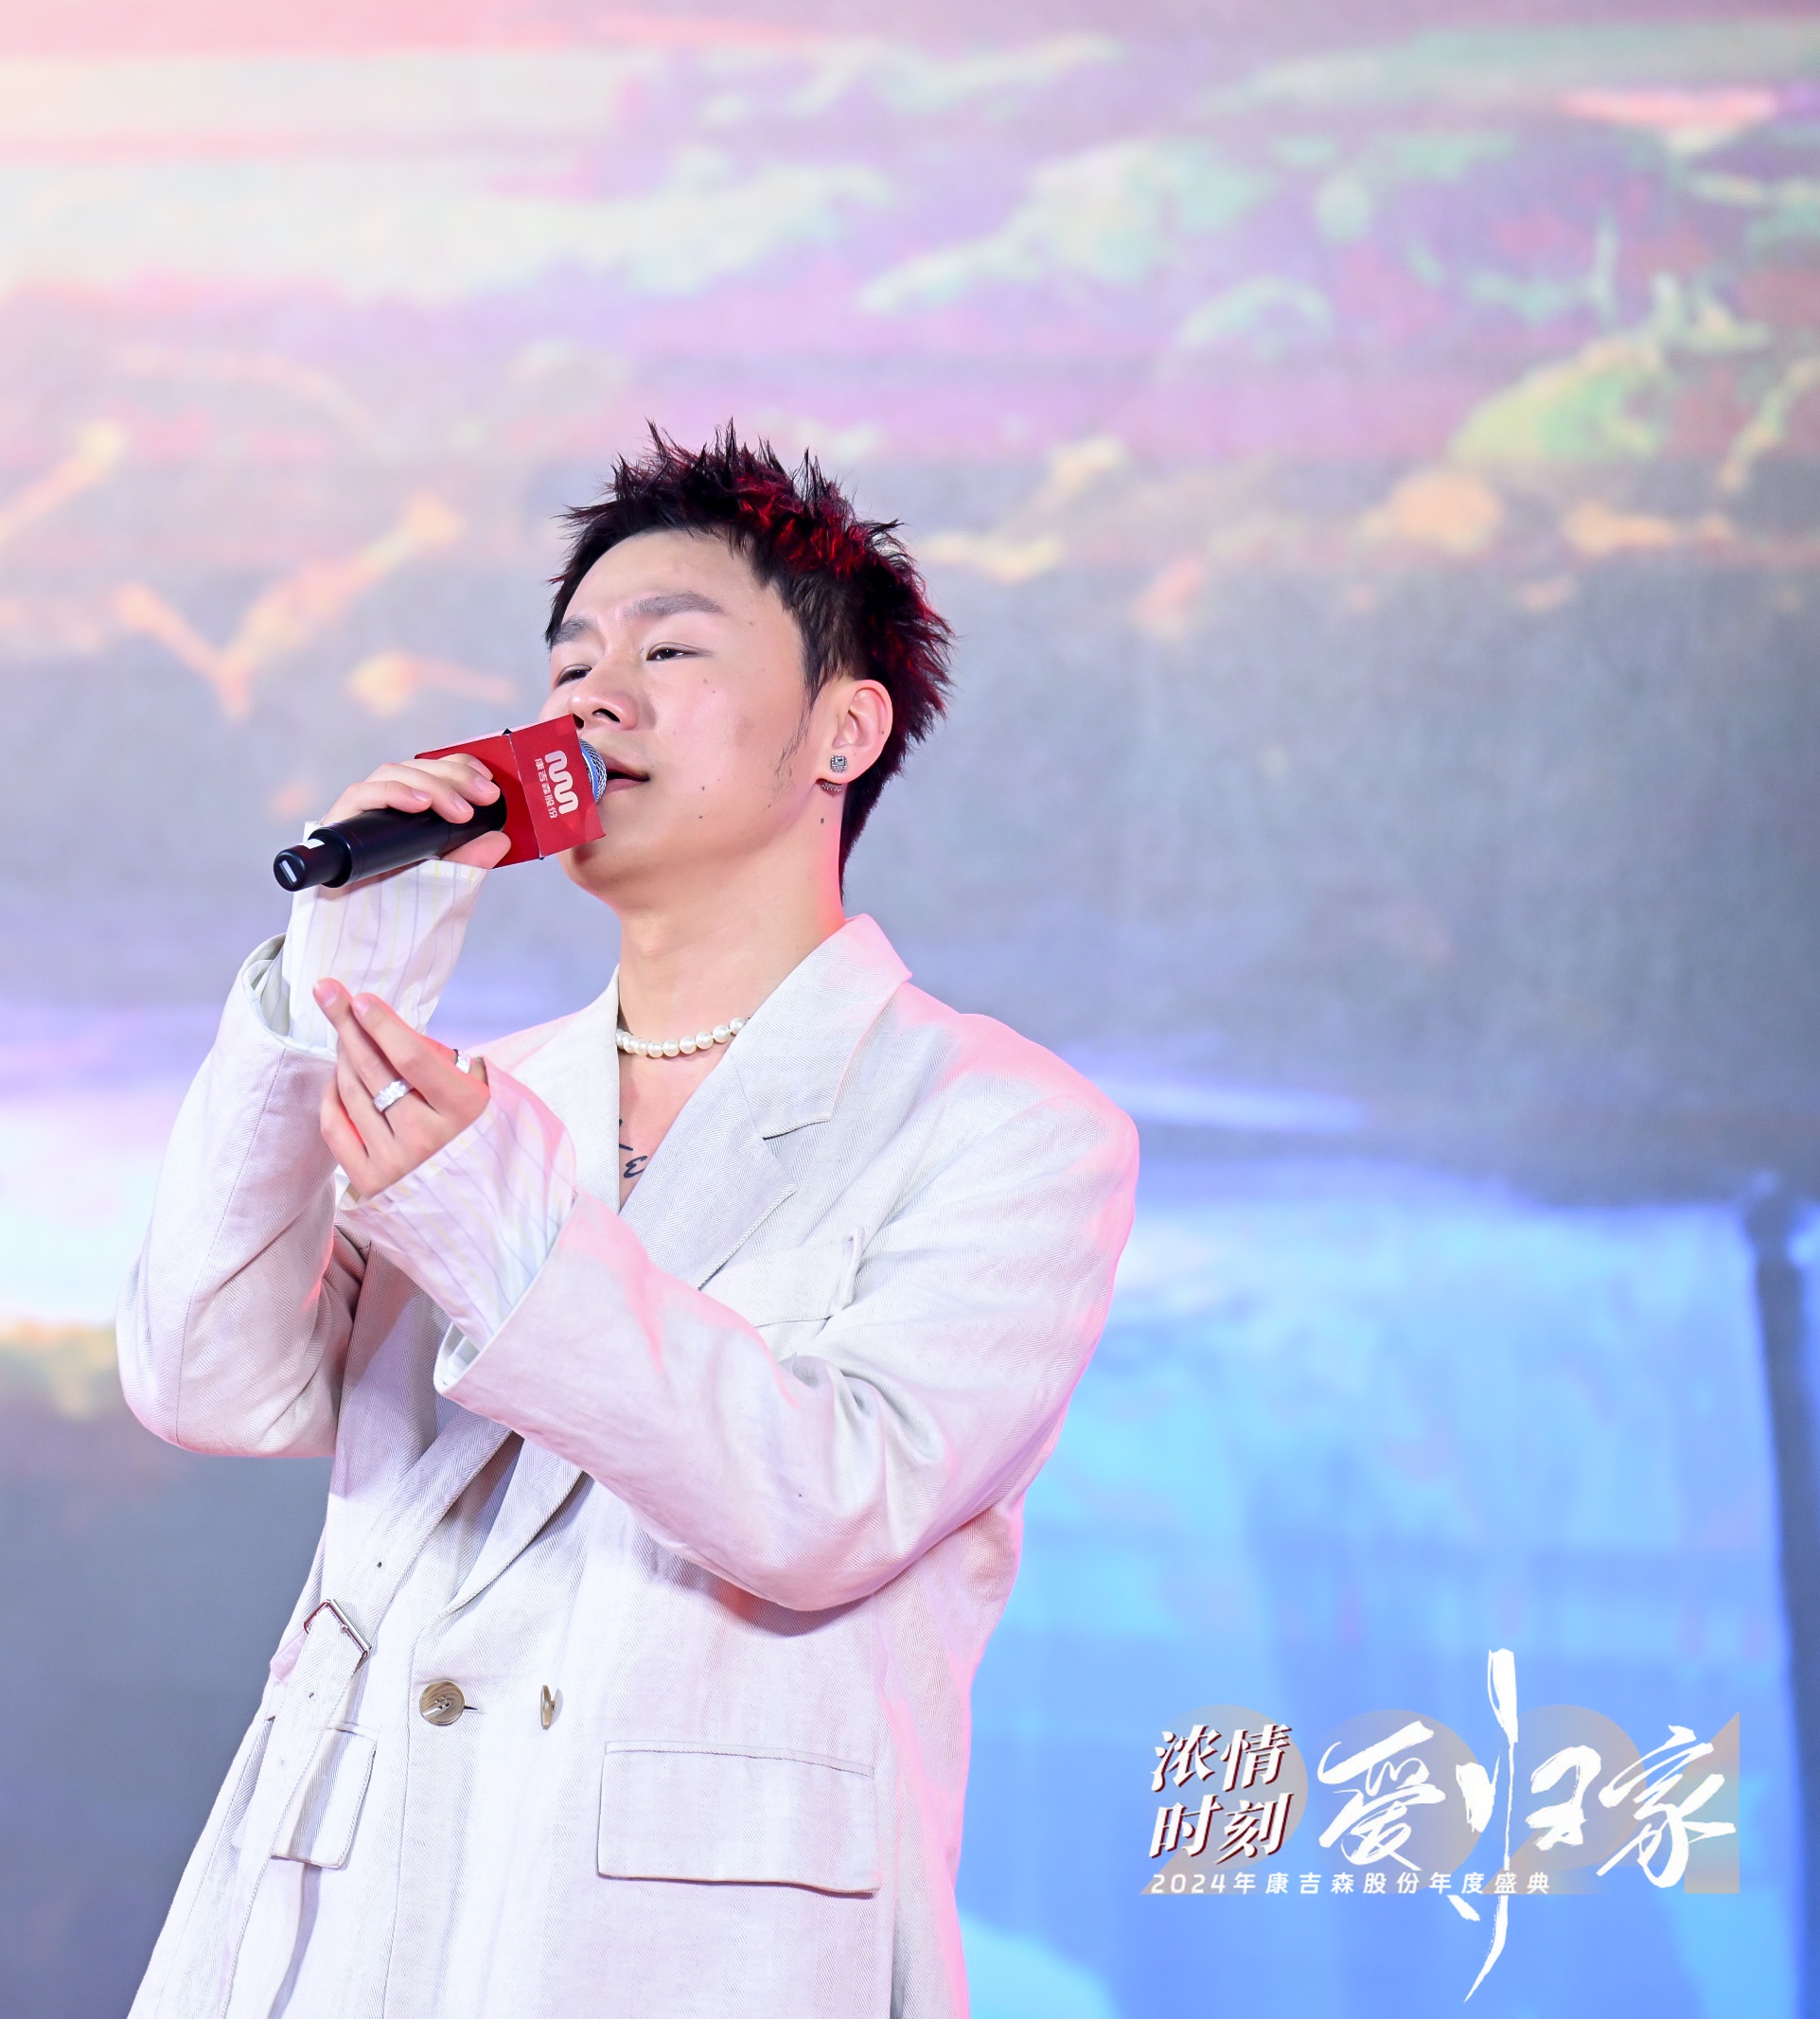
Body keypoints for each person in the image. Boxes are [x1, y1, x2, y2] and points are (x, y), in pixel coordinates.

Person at [116, 425, 1139, 2019]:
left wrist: (495, 1223)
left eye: (669, 650)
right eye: (572, 661)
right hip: (345, 1933)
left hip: (683, 1959)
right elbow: (208, 1381)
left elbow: (829, 1502)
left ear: (845, 729)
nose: (597, 699)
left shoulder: (1005, 1127)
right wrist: (339, 990)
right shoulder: (480, 1096)